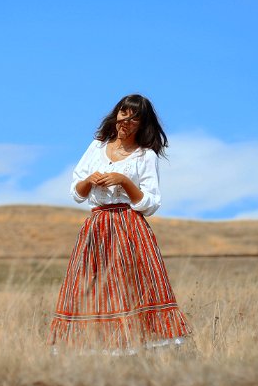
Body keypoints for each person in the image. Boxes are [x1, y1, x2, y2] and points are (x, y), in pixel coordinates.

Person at [48, 94, 192, 355]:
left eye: (134, 117)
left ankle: (133, 349)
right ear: (116, 115)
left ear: (142, 124)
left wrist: (123, 180)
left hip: (129, 227)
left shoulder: (145, 155)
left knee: (129, 287)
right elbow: (77, 192)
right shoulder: (96, 147)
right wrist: (90, 180)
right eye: (123, 113)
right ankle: (93, 348)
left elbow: (150, 203)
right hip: (97, 225)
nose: (127, 120)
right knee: (90, 287)